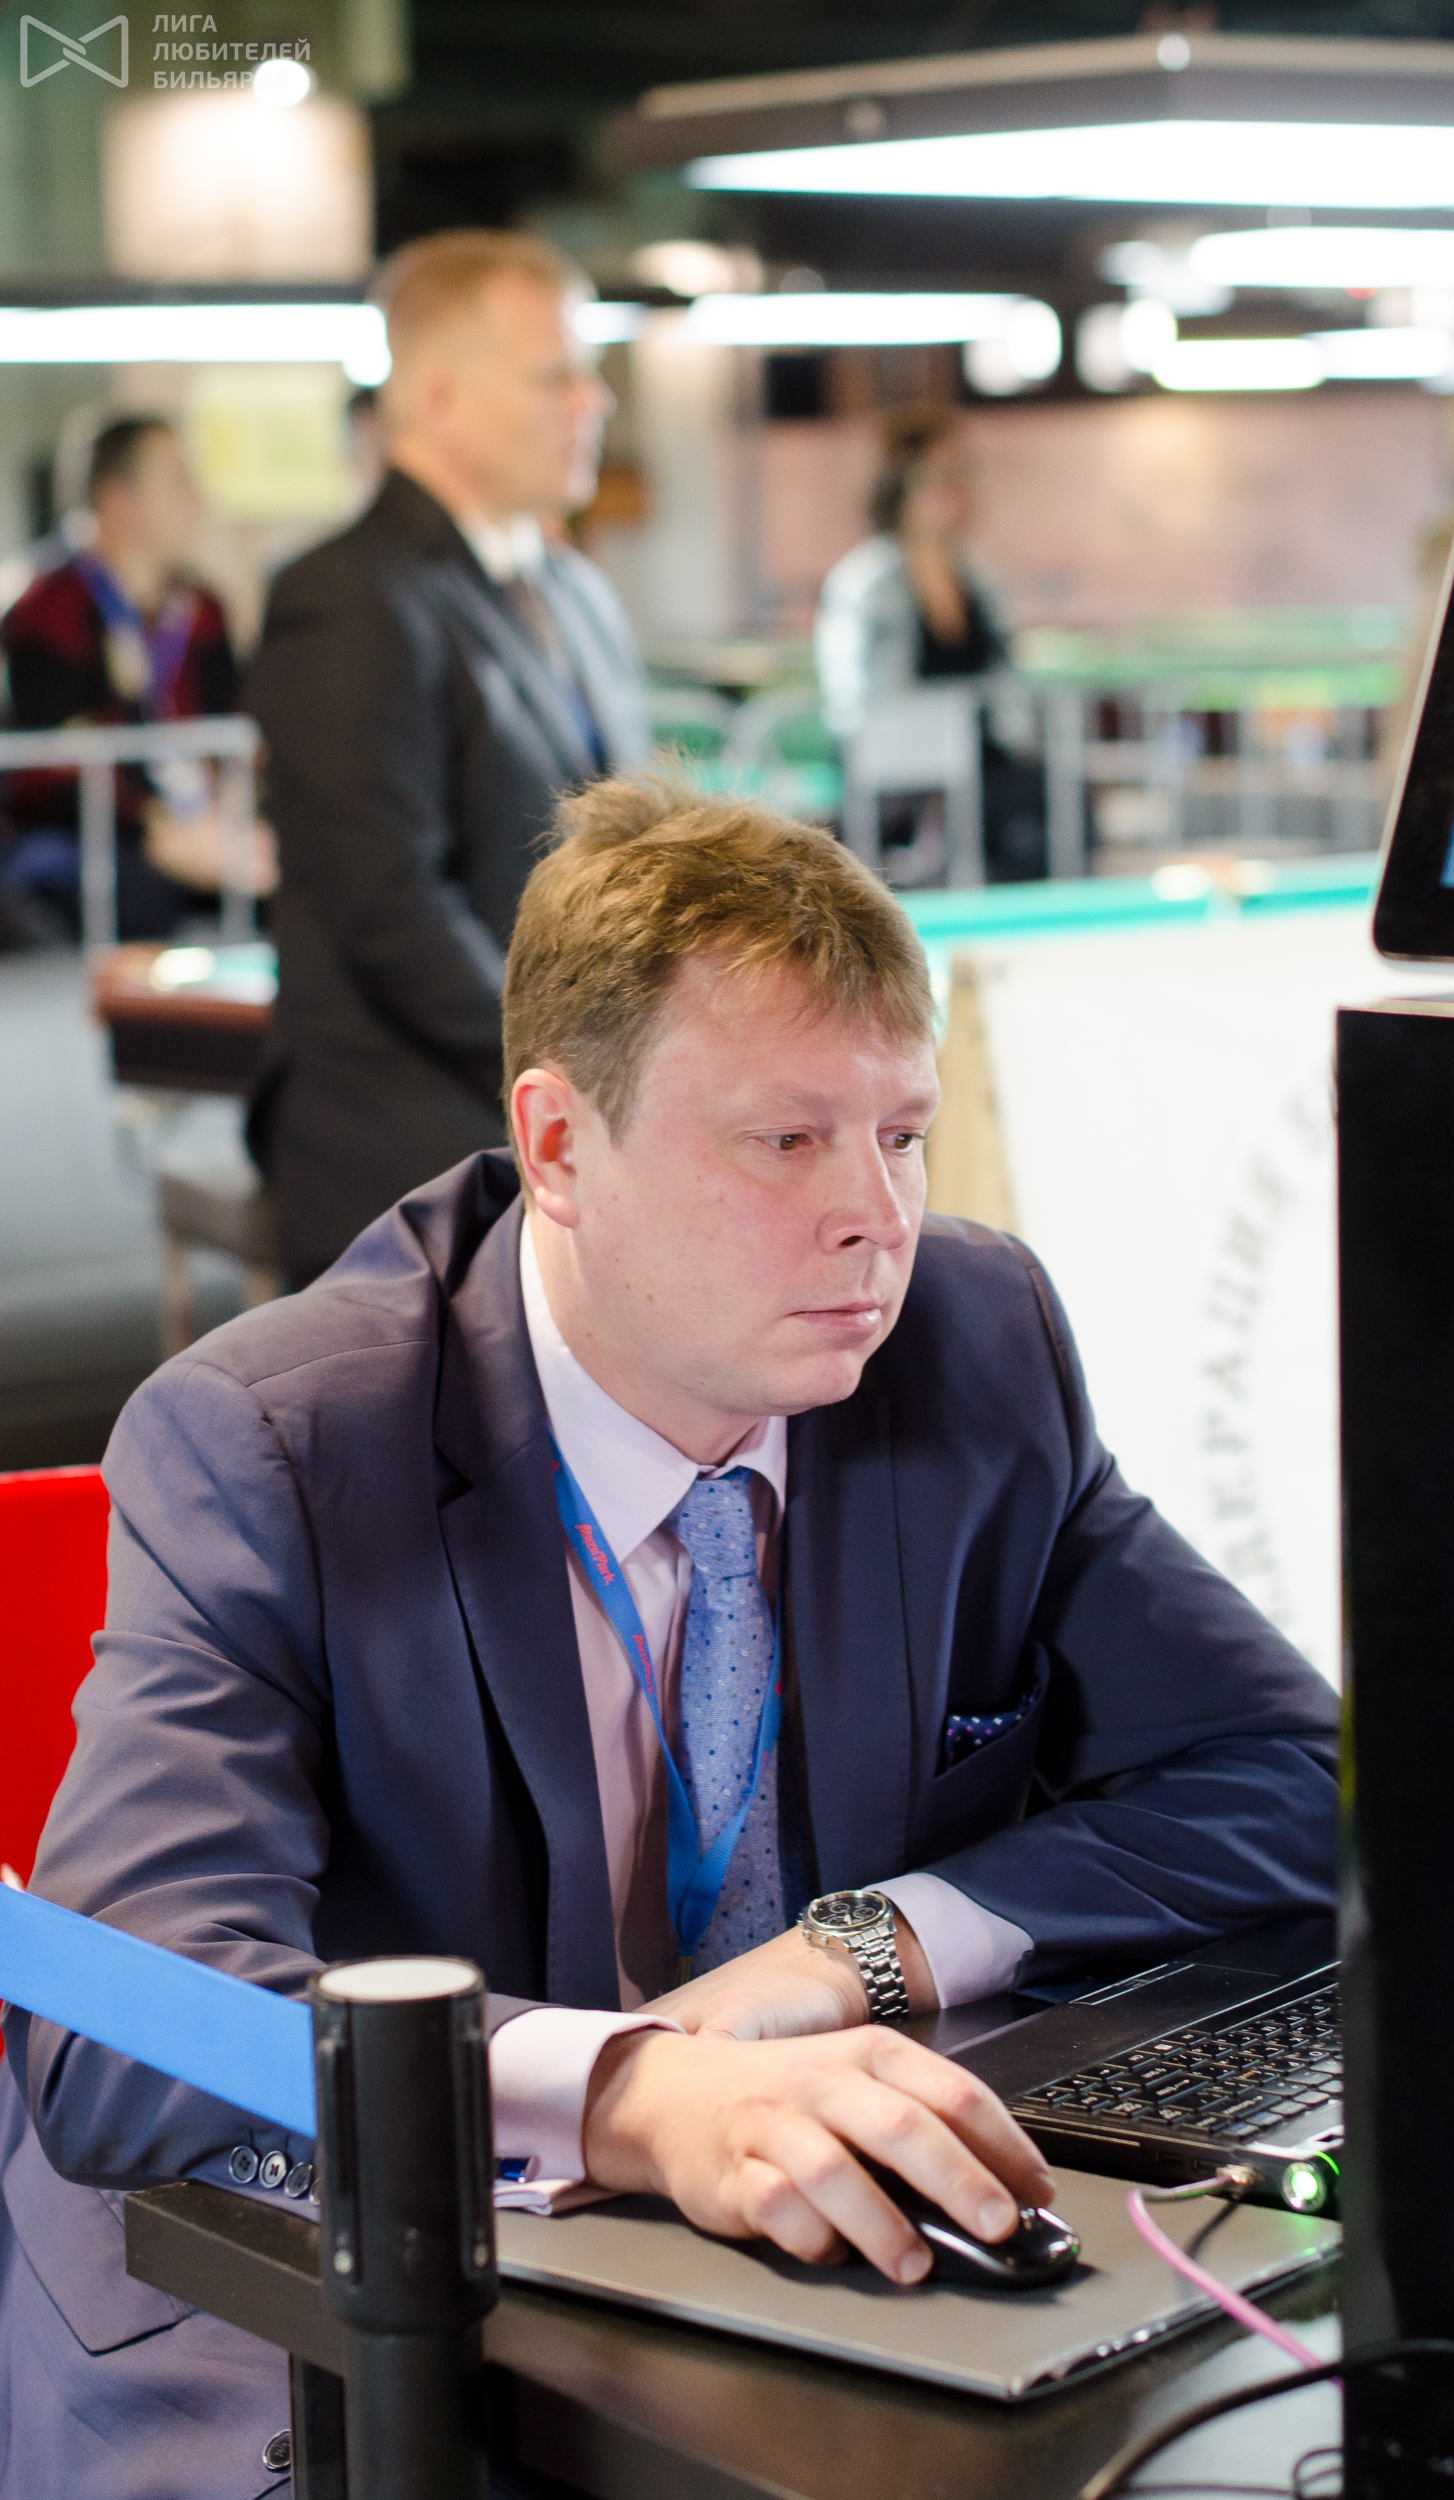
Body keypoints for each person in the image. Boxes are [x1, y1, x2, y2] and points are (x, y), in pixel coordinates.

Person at [0, 778, 1337, 2499]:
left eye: (903, 1133)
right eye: (786, 1142)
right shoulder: (273, 1447)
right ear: (559, 1146)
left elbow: (1290, 1770)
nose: (875, 1215)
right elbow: (128, 2034)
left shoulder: (968, 1342)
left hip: (765, 2265)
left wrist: (860, 1953)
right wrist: (631, 2095)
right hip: (316, 2291)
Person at [246, 228, 651, 1291]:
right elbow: (392, 909)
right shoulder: (348, 596)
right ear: (438, 398)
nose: (593, 402)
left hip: (570, 1133)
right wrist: (581, 1075)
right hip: (410, 1152)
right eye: (556, 376)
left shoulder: (574, 591)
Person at [0, 414, 253, 942]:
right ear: (117, 501)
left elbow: (234, 727)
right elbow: (49, 772)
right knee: (133, 892)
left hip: (199, 825)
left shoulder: (202, 609)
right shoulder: (49, 612)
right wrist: (154, 827)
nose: (196, 498)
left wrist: (227, 817)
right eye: (177, 481)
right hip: (94, 835)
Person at [815, 405, 1047, 884]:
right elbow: (851, 701)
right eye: (937, 477)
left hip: (980, 766)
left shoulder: (978, 579)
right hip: (896, 767)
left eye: (960, 476)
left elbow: (1007, 681)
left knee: (1048, 811)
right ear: (900, 487)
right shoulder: (864, 582)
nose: (952, 491)